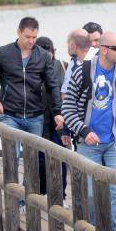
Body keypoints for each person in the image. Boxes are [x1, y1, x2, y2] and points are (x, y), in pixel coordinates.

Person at [63, 31, 116, 231]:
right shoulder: (82, 71)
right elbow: (67, 108)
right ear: (103, 50)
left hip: (115, 141)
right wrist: (84, 131)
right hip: (88, 143)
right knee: (91, 194)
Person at [0, 16, 63, 139]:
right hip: (9, 115)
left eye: (34, 37)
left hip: (35, 117)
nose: (31, 41)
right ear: (19, 32)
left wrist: (58, 112)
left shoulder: (43, 56)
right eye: (28, 37)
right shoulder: (3, 53)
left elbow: (52, 86)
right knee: (11, 156)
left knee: (33, 157)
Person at [35, 36, 68, 199]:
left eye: (50, 51)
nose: (48, 55)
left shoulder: (62, 66)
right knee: (40, 156)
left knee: (61, 155)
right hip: (40, 116)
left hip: (59, 117)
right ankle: (42, 191)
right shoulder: (32, 67)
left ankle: (61, 193)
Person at [62, 23, 101, 97]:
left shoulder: (105, 62)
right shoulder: (73, 63)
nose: (93, 44)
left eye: (96, 40)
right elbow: (65, 92)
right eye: (89, 41)